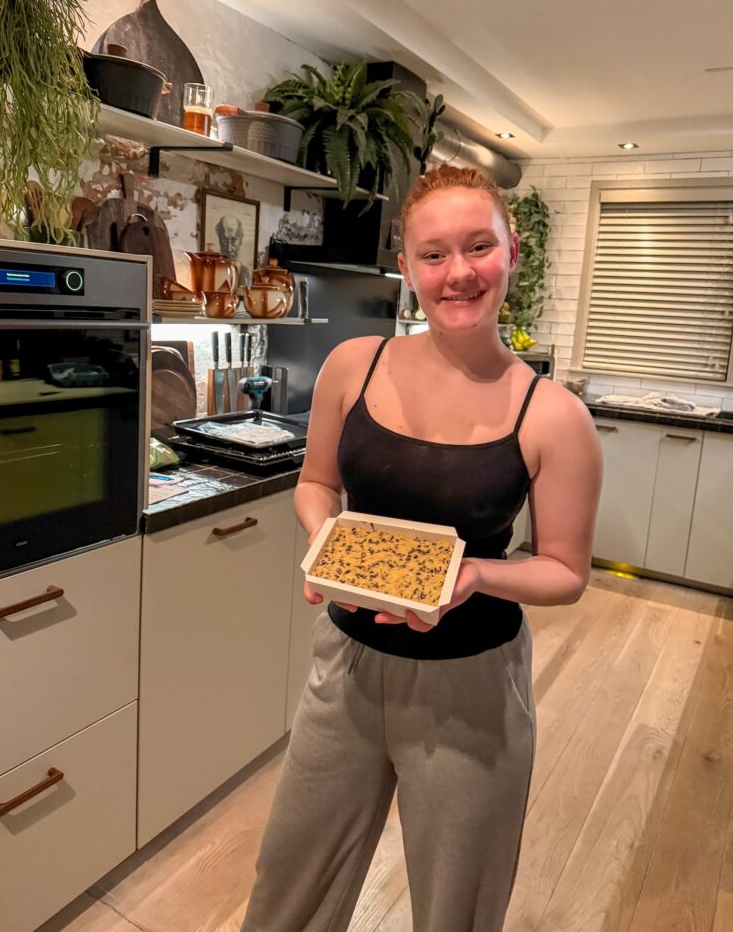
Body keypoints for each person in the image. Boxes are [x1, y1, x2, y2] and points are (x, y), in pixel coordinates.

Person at [241, 163, 603, 932]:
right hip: (345, 669)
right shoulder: (354, 365)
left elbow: (566, 572)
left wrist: (472, 576)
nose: (458, 273)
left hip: (470, 689)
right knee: (289, 886)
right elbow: (314, 485)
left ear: (513, 255)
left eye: (479, 247)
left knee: (455, 906)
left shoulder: (553, 416)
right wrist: (325, 538)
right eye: (433, 255)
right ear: (406, 269)